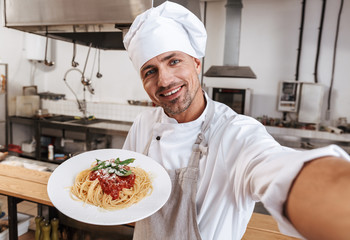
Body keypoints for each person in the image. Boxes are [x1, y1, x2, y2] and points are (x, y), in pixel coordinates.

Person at [122, 2, 350, 240]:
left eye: (174, 61)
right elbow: (126, 195)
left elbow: (280, 169)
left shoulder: (236, 132)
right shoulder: (143, 124)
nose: (164, 80)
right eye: (150, 71)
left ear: (196, 63)